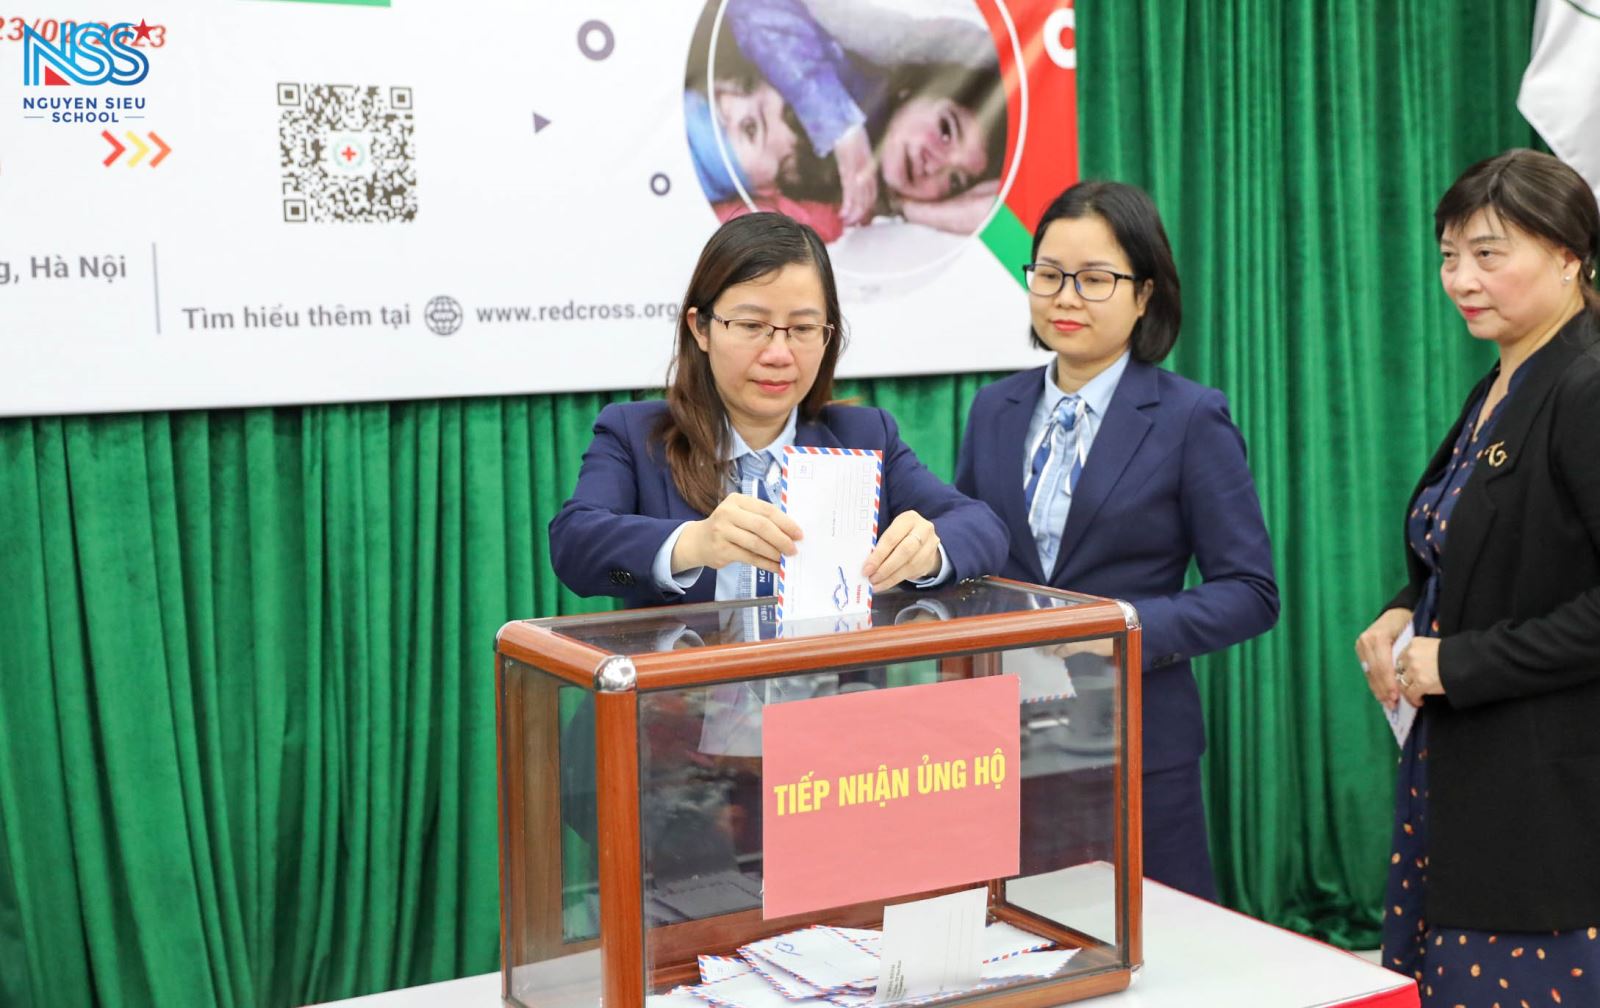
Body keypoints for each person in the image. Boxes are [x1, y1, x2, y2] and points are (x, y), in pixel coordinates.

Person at [954, 180, 1279, 900]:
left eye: (1095, 279)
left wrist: (1118, 627)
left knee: (1161, 939)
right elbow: (974, 560)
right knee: (1026, 933)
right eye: (1049, 274)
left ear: (1144, 295)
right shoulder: (993, 409)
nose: (1066, 297)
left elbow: (1251, 593)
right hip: (1010, 742)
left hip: (1137, 742)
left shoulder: (1190, 418)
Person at [1353, 148, 1600, 1006]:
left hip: (1550, 793)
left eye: (1489, 254)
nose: (1462, 279)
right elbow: (1475, 546)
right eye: (1450, 256)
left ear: (1568, 255)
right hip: (1467, 767)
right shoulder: (1506, 378)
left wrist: (1458, 661)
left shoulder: (1586, 384)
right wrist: (1405, 607)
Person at [549, 210, 1007, 607]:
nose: (779, 354)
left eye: (803, 329)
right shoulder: (634, 434)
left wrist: (929, 552)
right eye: (752, 325)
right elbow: (574, 547)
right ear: (701, 328)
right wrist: (693, 543)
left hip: (825, 682)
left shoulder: (864, 436)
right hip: (682, 682)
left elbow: (983, 528)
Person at [687, 0, 1006, 235]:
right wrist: (840, 127)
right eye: (946, 130)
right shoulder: (850, 81)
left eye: (955, 181)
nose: (935, 163)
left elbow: (1012, 235)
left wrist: (911, 210)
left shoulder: (845, 214)